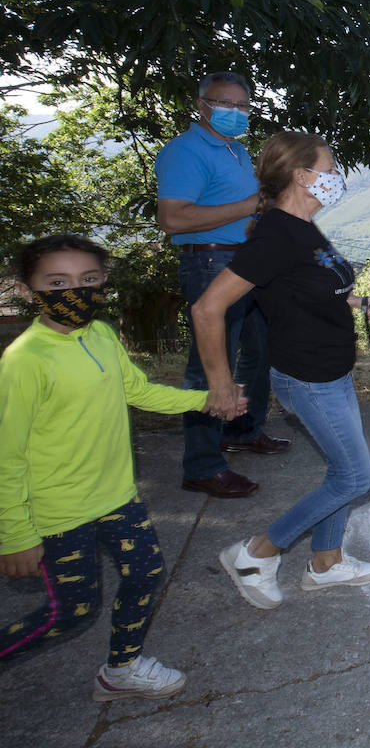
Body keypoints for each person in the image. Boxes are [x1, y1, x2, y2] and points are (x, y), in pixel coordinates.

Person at [1, 234, 241, 699]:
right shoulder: (24, 361)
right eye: (58, 281)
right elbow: (7, 455)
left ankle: (121, 669)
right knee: (69, 611)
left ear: (103, 283)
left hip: (116, 496)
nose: (76, 290)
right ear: (31, 290)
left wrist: (211, 401)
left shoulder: (102, 334)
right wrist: (15, 534)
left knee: (146, 573)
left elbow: (138, 390)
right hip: (57, 513)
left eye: (89, 279)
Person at [196, 132, 370, 609]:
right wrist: (221, 384)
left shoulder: (303, 226)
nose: (337, 178)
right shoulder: (276, 234)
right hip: (308, 378)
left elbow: (309, 289)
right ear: (301, 175)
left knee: (342, 469)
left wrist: (366, 301)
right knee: (355, 478)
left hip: (331, 369)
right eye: (330, 169)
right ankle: (256, 553)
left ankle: (327, 563)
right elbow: (208, 308)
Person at [154, 71, 290, 499]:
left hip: (247, 261)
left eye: (243, 106)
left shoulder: (236, 149)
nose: (235, 113)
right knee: (211, 364)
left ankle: (243, 429)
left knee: (261, 350)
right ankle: (202, 465)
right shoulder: (185, 151)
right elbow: (173, 218)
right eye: (225, 104)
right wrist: (253, 204)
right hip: (211, 262)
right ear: (202, 105)